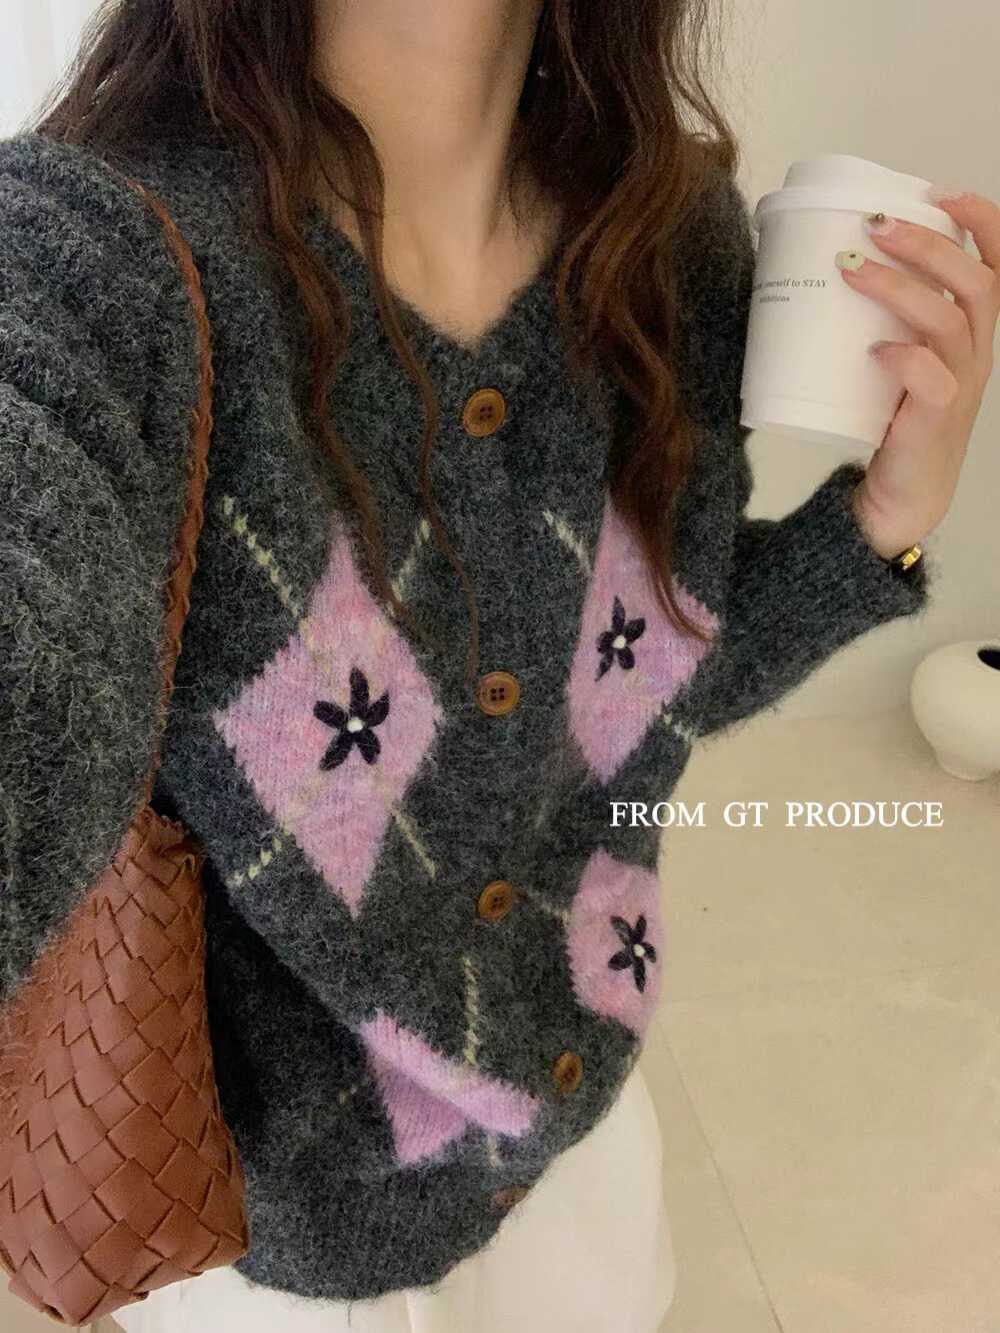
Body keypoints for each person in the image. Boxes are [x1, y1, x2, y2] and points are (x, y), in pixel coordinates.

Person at [1, 2, 996, 1331]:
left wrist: (882, 517)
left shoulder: (670, 246)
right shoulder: (101, 257)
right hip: (279, 1227)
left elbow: (636, 697)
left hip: (580, 1124)